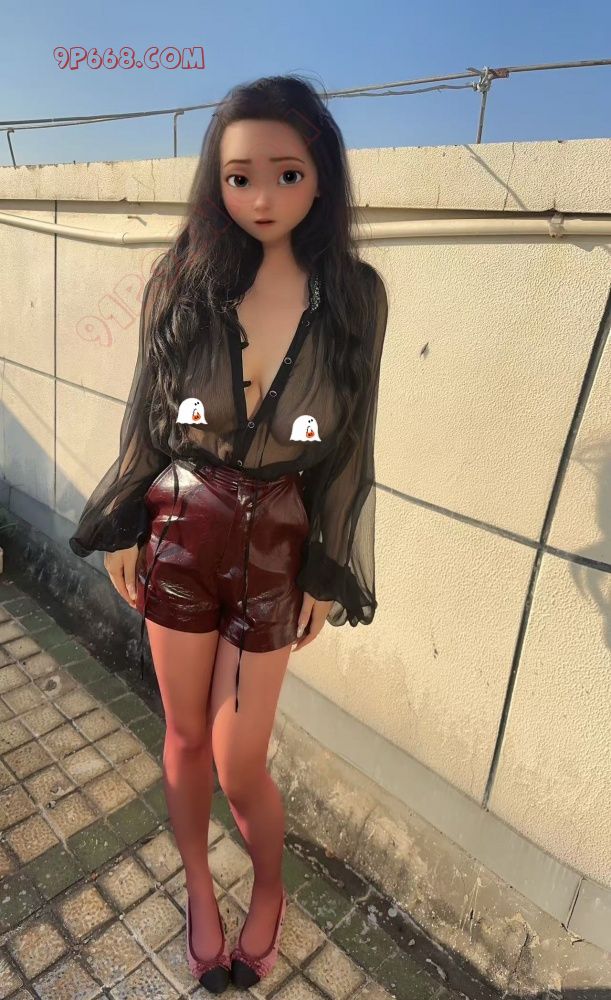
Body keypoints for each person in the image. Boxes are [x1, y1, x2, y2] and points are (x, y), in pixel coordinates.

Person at [69, 74, 388, 993]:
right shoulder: (183, 277)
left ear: (321, 177)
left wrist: (327, 567)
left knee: (240, 760)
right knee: (182, 736)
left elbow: (351, 445)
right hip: (179, 524)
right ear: (216, 180)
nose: (262, 197)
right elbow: (149, 409)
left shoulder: (354, 295)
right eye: (239, 176)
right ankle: (201, 891)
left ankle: (270, 888)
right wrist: (124, 519)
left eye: (287, 174)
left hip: (279, 542)